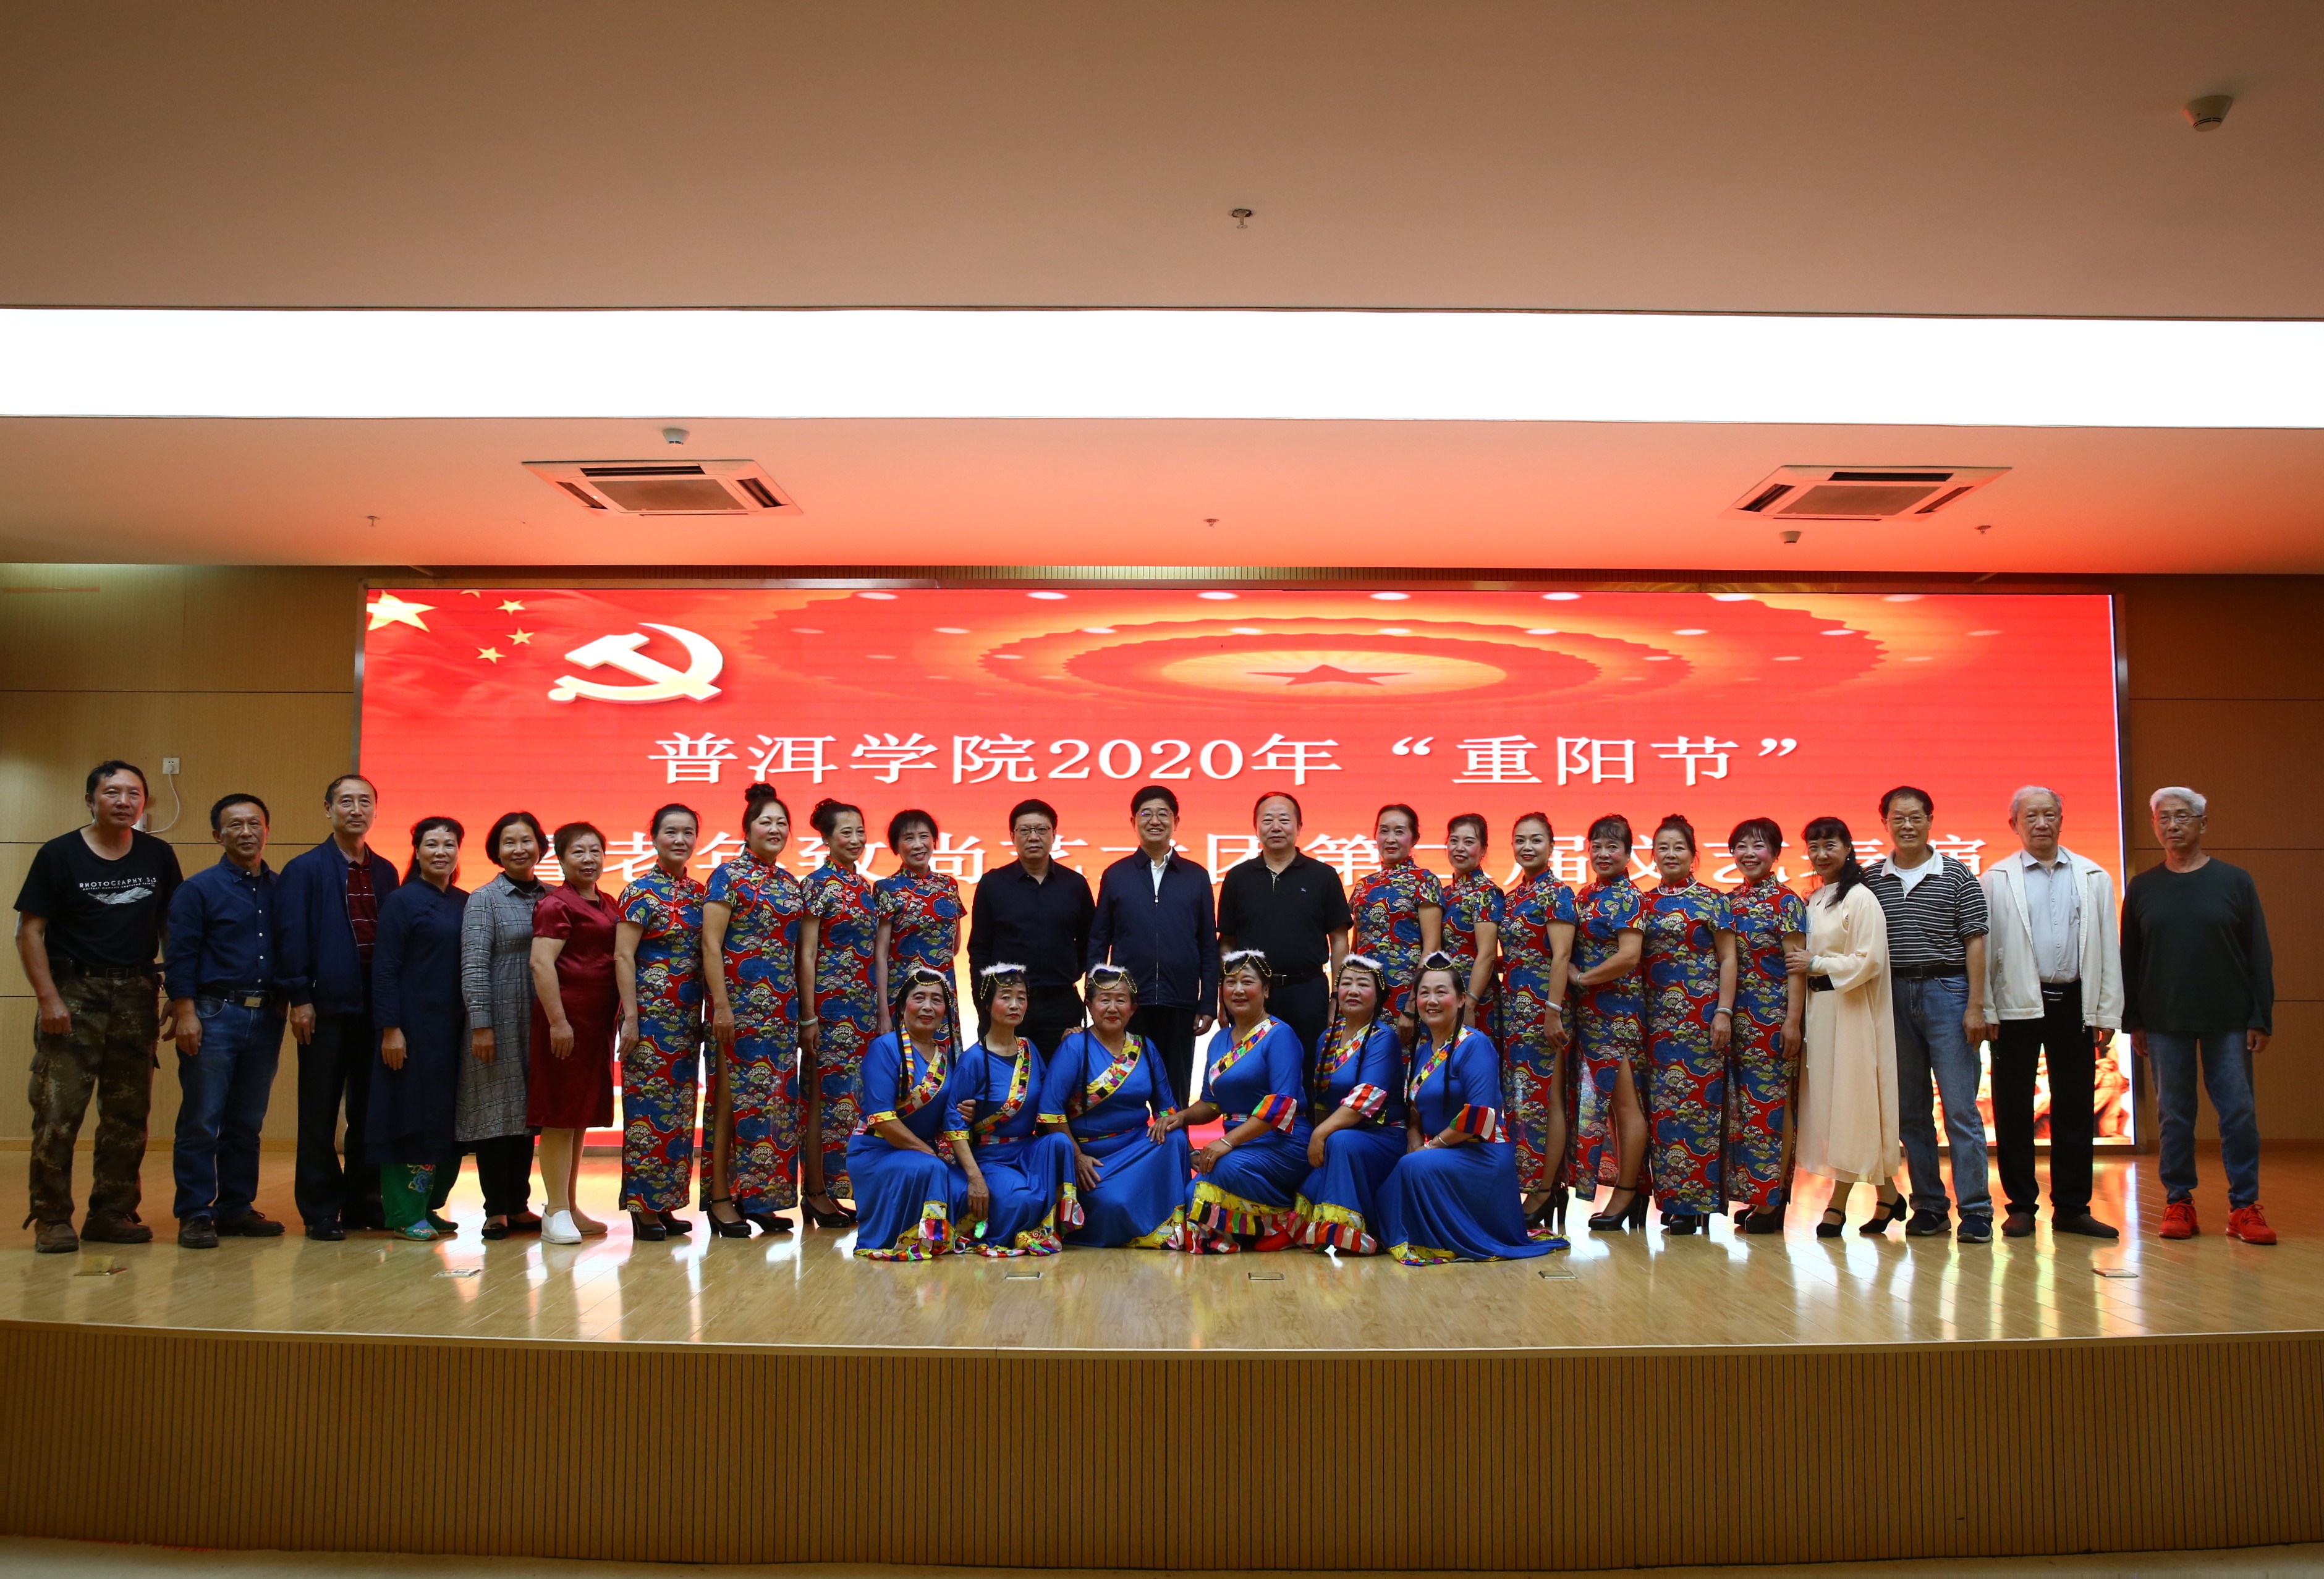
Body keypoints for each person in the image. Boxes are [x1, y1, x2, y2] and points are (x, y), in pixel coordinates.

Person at [17, 761, 182, 1253]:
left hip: (137, 992)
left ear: (144, 802)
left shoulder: (158, 854)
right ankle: (51, 1217)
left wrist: (179, 991)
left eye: (133, 793)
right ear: (90, 800)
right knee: (57, 1112)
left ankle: (111, 1211)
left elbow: (172, 927)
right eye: (112, 792)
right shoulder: (59, 854)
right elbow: (30, 931)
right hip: (74, 993)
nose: (124, 801)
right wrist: (48, 997)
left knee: (128, 1113)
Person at [2123, 787, 2276, 1245]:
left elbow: (2258, 952)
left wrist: (2260, 1015)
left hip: (2229, 1017)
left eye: (2183, 817)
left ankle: (2244, 1206)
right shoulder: (2143, 887)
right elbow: (2131, 958)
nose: (2172, 825)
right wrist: (2134, 1019)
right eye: (2163, 818)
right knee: (2174, 1114)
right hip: (2163, 1017)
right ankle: (2179, 1201)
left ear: (2203, 824)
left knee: (2238, 1113)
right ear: (2155, 826)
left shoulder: (2235, 881)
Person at [1981, 787, 2124, 1242]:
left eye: (2049, 814)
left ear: (2062, 819)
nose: (2041, 823)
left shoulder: (2094, 875)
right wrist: (1986, 1007)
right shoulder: (1995, 878)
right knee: (2013, 1108)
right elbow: (1984, 951)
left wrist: (2107, 1011)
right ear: (2014, 825)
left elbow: (2107, 948)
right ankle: (2021, 1206)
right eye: (2031, 816)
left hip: (2075, 1003)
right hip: (2016, 1004)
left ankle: (2072, 1208)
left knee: (2076, 1107)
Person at [1864, 786, 1994, 1243]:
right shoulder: (1871, 879)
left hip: (1948, 992)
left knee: (1960, 1108)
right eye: (1898, 818)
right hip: (1893, 996)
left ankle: (1976, 1210)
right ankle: (1930, 1206)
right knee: (1911, 1112)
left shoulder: (1957, 874)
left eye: (1916, 817)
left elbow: (1975, 940)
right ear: (1885, 823)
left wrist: (1976, 1005)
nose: (1907, 825)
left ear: (1930, 820)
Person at [278, 773, 397, 1239]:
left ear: (375, 811)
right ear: (328, 810)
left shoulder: (385, 870)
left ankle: (363, 1201)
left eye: (365, 801)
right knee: (320, 1110)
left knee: (370, 1108)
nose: (356, 810)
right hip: (324, 1003)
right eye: (346, 801)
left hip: (374, 1003)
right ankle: (320, 1208)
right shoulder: (304, 869)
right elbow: (292, 938)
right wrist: (300, 998)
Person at [163, 793, 286, 1248]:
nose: (246, 832)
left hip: (267, 1015)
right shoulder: (198, 889)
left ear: (266, 830)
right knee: (201, 1119)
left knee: (247, 1121)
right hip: (213, 1013)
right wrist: (185, 1012)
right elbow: (180, 955)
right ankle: (196, 1212)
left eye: (254, 823)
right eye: (235, 825)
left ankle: (236, 1207)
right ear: (218, 835)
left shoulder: (282, 889)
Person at [1376, 953, 1552, 1266]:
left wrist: (1431, 1147)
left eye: (1441, 992)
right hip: (1442, 1152)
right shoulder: (1422, 1051)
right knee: (1401, 1166)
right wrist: (1414, 1138)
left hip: (1480, 1154)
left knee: (1413, 1167)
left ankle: (1431, 1240)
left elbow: (1479, 1116)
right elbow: (1415, 1109)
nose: (1432, 1000)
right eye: (1424, 993)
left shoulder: (1475, 1044)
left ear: (1460, 1001)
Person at [1787, 818, 1907, 1235]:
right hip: (1822, 1013)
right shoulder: (1817, 897)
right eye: (1814, 846)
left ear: (1848, 848)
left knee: (1852, 1105)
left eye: (1830, 845)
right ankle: (1888, 1196)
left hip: (1852, 1011)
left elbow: (1869, 961)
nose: (1821, 854)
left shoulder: (1861, 898)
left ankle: (1836, 1204)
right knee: (1833, 1106)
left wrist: (1817, 963)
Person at [702, 785, 805, 1238]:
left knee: (773, 1104)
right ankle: (720, 1199)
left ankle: (758, 1198)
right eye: (766, 821)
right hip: (738, 1009)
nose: (775, 829)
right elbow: (711, 944)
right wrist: (721, 1006)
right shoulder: (727, 875)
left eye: (782, 823)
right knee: (728, 1102)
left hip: (780, 1012)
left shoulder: (789, 883)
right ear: (747, 830)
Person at [1163, 951, 1311, 1253]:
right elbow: (1212, 1104)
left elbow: (1281, 1107)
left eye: (1248, 982)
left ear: (1266, 990)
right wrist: (1183, 1117)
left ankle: (1290, 1220)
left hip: (1282, 1142)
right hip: (1239, 1145)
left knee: (1219, 1174)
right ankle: (1253, 1231)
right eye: (1230, 983)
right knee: (1193, 1193)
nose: (1238, 990)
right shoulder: (1219, 1041)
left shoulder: (1280, 1036)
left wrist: (1226, 1142)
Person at [1038, 964, 1191, 1247]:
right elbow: (1050, 1111)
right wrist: (1077, 1156)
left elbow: (1167, 1109)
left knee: (1176, 1138)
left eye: (1120, 1000)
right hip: (1093, 1158)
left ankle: (1173, 1225)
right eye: (1104, 1000)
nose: (1112, 1008)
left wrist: (1177, 1134)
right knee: (1113, 1203)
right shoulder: (1074, 1047)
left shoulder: (1146, 1047)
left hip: (1139, 1146)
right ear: (1089, 1005)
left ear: (1133, 1008)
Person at [367, 817, 468, 1241]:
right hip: (410, 1029)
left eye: (449, 844)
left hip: (453, 1031)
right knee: (409, 1116)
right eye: (432, 844)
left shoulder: (465, 902)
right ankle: (405, 1212)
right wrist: (390, 1027)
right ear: (417, 850)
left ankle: (429, 1206)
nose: (441, 852)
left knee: (445, 1117)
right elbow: (385, 968)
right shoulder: (401, 901)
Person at [1638, 815, 1737, 1235]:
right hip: (1655, 1022)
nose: (1670, 854)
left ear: (1694, 855)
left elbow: (1728, 958)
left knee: (1700, 1110)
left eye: (1679, 847)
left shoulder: (1714, 900)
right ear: (1652, 855)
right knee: (1663, 1113)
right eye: (1663, 847)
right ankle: (1672, 1202)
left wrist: (1724, 1011)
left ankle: (1697, 1205)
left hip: (1701, 1020)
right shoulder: (1642, 902)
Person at [1088, 785, 1217, 1107]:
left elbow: (1207, 944)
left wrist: (1207, 1002)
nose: (1155, 821)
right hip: (1128, 1002)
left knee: (1175, 1092)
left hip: (1180, 1001)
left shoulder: (1196, 876)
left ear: (1176, 821)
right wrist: (1095, 995)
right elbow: (1099, 940)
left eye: (1163, 814)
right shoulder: (1116, 875)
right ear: (1133, 821)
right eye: (1146, 814)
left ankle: (1176, 1138)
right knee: (1125, 1087)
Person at [614, 803, 706, 1242]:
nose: (680, 840)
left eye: (688, 832)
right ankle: (642, 1207)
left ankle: (666, 1202)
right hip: (648, 1020)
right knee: (646, 1113)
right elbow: (623, 955)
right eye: (671, 831)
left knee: (678, 1112)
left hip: (686, 1021)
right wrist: (631, 1017)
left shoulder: (699, 893)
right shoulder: (639, 891)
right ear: (653, 838)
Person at [943, 963, 1080, 1256]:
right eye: (1006, 997)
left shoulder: (1030, 1049)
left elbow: (1051, 1097)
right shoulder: (973, 1060)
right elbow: (954, 1125)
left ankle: (1061, 1224)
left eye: (1021, 997)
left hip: (1028, 1150)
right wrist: (975, 1178)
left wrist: (1070, 1049)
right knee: (1023, 1201)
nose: (1015, 1005)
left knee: (1059, 1143)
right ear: (987, 1004)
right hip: (992, 1157)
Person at [1215, 791, 1351, 1080]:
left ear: (1299, 827)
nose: (1276, 827)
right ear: (1256, 828)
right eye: (1267, 820)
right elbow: (1227, 942)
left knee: (1308, 1074)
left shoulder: (1323, 876)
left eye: (1284, 820)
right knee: (1252, 1074)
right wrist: (1223, 995)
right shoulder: (1238, 878)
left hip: (1307, 992)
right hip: (1252, 994)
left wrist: (1337, 995)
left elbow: (1340, 940)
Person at [528, 823, 621, 1245]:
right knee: (560, 1115)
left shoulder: (607, 902)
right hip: (564, 1024)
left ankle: (568, 1203)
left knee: (579, 1115)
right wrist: (558, 1021)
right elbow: (541, 963)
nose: (588, 859)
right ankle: (554, 1210)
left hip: (596, 1024)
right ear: (562, 860)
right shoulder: (555, 904)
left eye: (595, 851)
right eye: (578, 852)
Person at [457, 811, 546, 1239]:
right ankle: (495, 1210)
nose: (519, 849)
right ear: (496, 850)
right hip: (498, 1017)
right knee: (495, 1114)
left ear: (540, 846)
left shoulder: (551, 897)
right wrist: (481, 1024)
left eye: (526, 840)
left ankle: (519, 1205)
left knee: (527, 1114)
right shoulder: (484, 898)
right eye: (509, 842)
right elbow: (473, 964)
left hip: (539, 1017)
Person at [1283, 955, 1407, 1255]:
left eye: (1362, 984)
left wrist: (1321, 1134)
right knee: (1308, 1182)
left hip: (1383, 1134)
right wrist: (1316, 1136)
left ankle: (1352, 1237)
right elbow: (1322, 1100)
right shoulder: (1328, 1038)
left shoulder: (1383, 1038)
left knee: (1339, 1142)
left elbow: (1366, 1098)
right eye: (1346, 983)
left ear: (1378, 995)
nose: (1352, 991)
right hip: (1341, 1136)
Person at [1722, 818, 1807, 1235]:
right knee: (1744, 1110)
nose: (1749, 853)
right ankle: (1758, 1193)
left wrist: (1793, 1021)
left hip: (1772, 1018)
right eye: (1741, 846)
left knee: (1773, 1107)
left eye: (1758, 845)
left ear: (1774, 852)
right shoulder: (1728, 902)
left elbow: (1796, 967)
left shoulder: (1787, 902)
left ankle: (1774, 1198)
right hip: (1733, 1020)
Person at [848, 967, 967, 1259]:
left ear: (945, 1011)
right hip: (877, 1151)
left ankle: (952, 1239)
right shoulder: (885, 1048)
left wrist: (970, 1111)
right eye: (919, 998)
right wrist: (927, 1153)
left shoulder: (948, 1058)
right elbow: (883, 1119)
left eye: (937, 1000)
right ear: (903, 1007)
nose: (928, 1007)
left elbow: (950, 1115)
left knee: (966, 1188)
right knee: (933, 1170)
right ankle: (923, 1241)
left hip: (921, 1155)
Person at [967, 798, 1096, 1057]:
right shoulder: (993, 884)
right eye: (1025, 830)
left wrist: (1070, 971)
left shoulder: (1075, 885)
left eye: (1041, 830)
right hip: (1007, 1003)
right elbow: (980, 950)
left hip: (1060, 1005)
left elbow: (1090, 943)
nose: (1033, 837)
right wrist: (984, 1003)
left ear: (1054, 834)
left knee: (1061, 1076)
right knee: (1005, 1077)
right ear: (1012, 836)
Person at [799, 798, 876, 1227]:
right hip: (828, 1011)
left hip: (862, 1011)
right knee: (821, 1101)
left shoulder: (865, 887)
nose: (856, 839)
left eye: (861, 831)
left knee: (853, 1102)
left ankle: (840, 1188)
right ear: (827, 839)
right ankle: (815, 1192)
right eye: (846, 832)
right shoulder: (815, 885)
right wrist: (809, 1016)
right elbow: (807, 954)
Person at [1499, 813, 1578, 1231]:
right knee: (1521, 1101)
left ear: (1551, 845)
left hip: (1545, 1011)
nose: (1527, 847)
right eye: (1520, 840)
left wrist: (1553, 1009)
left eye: (1536, 840)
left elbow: (1561, 955)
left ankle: (1547, 1189)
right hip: (1514, 1009)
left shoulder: (1558, 892)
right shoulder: (1513, 896)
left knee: (1549, 1099)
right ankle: (1529, 1183)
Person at [1569, 816, 1648, 1231]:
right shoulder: (1587, 895)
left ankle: (1628, 1190)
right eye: (1596, 846)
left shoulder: (1629, 897)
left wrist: (1582, 979)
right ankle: (1627, 1188)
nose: (1603, 853)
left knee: (1624, 1103)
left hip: (1618, 1012)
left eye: (1612, 846)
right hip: (1589, 1014)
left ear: (1629, 853)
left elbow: (1629, 956)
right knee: (1611, 1107)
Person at [1349, 803, 1443, 1027]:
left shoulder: (1425, 881)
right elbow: (1356, 947)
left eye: (1399, 832)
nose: (1390, 839)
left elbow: (1432, 949)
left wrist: (1412, 1006)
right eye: (1384, 831)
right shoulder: (1363, 885)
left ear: (1415, 838)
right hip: (1363, 993)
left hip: (1406, 995)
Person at [873, 808, 964, 1037]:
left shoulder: (949, 886)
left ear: (934, 841)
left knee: (943, 1055)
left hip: (942, 995)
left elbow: (954, 946)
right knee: (906, 1056)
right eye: (908, 838)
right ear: (896, 847)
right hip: (904, 997)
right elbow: (880, 955)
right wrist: (883, 1012)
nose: (918, 845)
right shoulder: (886, 888)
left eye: (924, 836)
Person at [1440, 814, 1505, 1051]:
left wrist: (1470, 1003)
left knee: (1474, 1062)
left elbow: (1487, 954)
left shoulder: (1486, 892)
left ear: (1484, 850)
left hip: (1476, 999)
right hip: (1443, 995)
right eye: (1454, 840)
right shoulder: (1443, 893)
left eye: (1469, 842)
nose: (1460, 848)